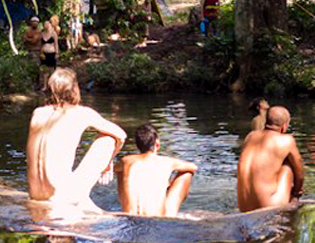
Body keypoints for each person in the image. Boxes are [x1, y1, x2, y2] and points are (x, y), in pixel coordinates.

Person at [26, 67, 125, 210]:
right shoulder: (82, 113)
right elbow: (121, 135)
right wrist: (108, 163)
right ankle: (81, 198)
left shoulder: (38, 113)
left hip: (34, 195)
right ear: (74, 89)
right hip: (63, 197)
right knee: (108, 138)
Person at [115, 123, 197, 217]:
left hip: (131, 216)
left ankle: (130, 208)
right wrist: (169, 182)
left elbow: (115, 168)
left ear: (137, 145)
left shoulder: (127, 160)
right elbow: (193, 167)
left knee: (122, 172)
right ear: (157, 144)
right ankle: (170, 213)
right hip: (161, 216)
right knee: (187, 173)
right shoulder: (167, 162)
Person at [237, 104, 304, 212]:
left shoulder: (250, 136)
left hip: (243, 207)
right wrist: (297, 192)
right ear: (285, 126)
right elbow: (299, 170)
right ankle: (293, 200)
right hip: (267, 207)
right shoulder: (287, 140)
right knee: (288, 166)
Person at [40, 18, 59, 85]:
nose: (46, 25)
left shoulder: (54, 34)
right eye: (45, 24)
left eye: (47, 24)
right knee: (45, 70)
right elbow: (41, 44)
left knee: (51, 69)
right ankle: (45, 85)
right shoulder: (42, 34)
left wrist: (57, 53)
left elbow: (56, 44)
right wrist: (41, 53)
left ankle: (52, 84)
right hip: (44, 53)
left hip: (51, 53)